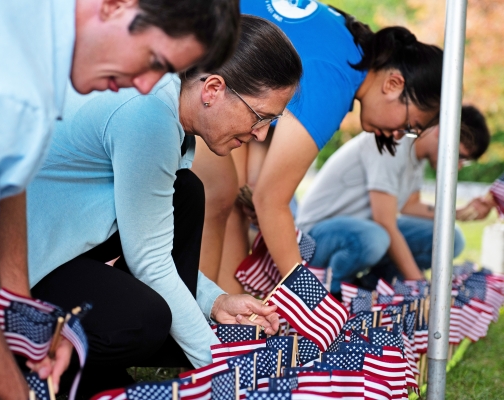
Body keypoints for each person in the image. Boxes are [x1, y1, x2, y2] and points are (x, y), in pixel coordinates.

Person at [0, 0, 240, 398]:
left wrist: (23, 309)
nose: (148, 85)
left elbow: (12, 180)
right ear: (117, 6)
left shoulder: (42, 49)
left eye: (164, 71)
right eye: (152, 58)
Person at [0, 14, 301, 398]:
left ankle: (89, 358)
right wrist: (223, 372)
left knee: (186, 193)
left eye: (271, 123)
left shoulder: (167, 107)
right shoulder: (150, 116)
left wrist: (217, 302)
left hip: (47, 253)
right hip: (4, 272)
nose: (260, 133)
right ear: (212, 89)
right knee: (145, 320)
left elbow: (152, 243)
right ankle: (23, 362)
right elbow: (150, 261)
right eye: (260, 116)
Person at [191, 0, 446, 294]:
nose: (399, 135)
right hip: (188, 40)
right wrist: (308, 298)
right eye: (410, 124)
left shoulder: (349, 51)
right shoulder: (336, 79)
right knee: (216, 194)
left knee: (232, 197)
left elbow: (255, 185)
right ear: (393, 84)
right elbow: (271, 201)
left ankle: (226, 321)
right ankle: (197, 326)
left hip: (208, 54)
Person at [294, 105, 490, 293]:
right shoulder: (392, 142)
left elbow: (409, 205)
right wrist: (421, 286)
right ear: (441, 131)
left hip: (362, 231)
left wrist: (459, 213)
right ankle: (332, 292)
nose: (459, 166)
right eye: (460, 156)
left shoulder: (417, 155)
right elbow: (385, 222)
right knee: (376, 237)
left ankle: (371, 286)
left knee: (450, 238)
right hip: (316, 235)